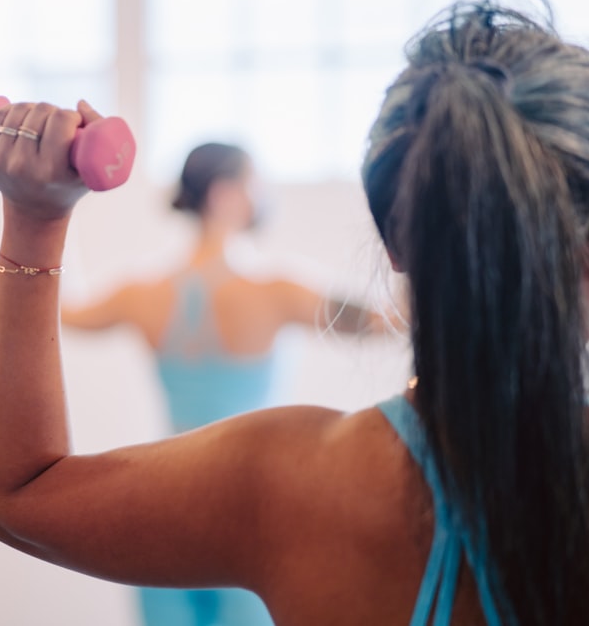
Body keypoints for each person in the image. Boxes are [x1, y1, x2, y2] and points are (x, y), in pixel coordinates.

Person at [0, 0, 589, 626]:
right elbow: (378, 321)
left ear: (396, 240)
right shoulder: (280, 293)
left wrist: (37, 216)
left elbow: (20, 490)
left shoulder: (276, 482)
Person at [61, 143, 386, 626]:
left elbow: (66, 310)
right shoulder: (275, 291)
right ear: (225, 194)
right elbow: (387, 321)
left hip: (162, 503)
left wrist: (56, 205)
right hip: (248, 511)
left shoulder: (140, 294)